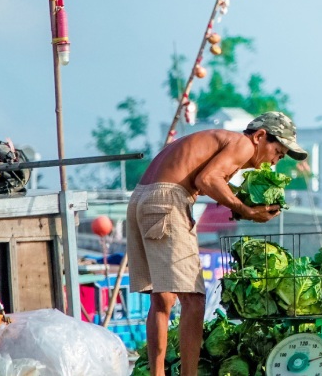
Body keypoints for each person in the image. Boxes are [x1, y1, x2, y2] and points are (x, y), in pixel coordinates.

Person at [126, 112, 307, 376]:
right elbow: (208, 179)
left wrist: (238, 200)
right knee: (194, 299)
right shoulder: (243, 144)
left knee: (162, 297)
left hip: (141, 198)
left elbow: (205, 180)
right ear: (260, 136)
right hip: (167, 200)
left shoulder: (219, 140)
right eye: (277, 152)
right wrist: (245, 209)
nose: (275, 162)